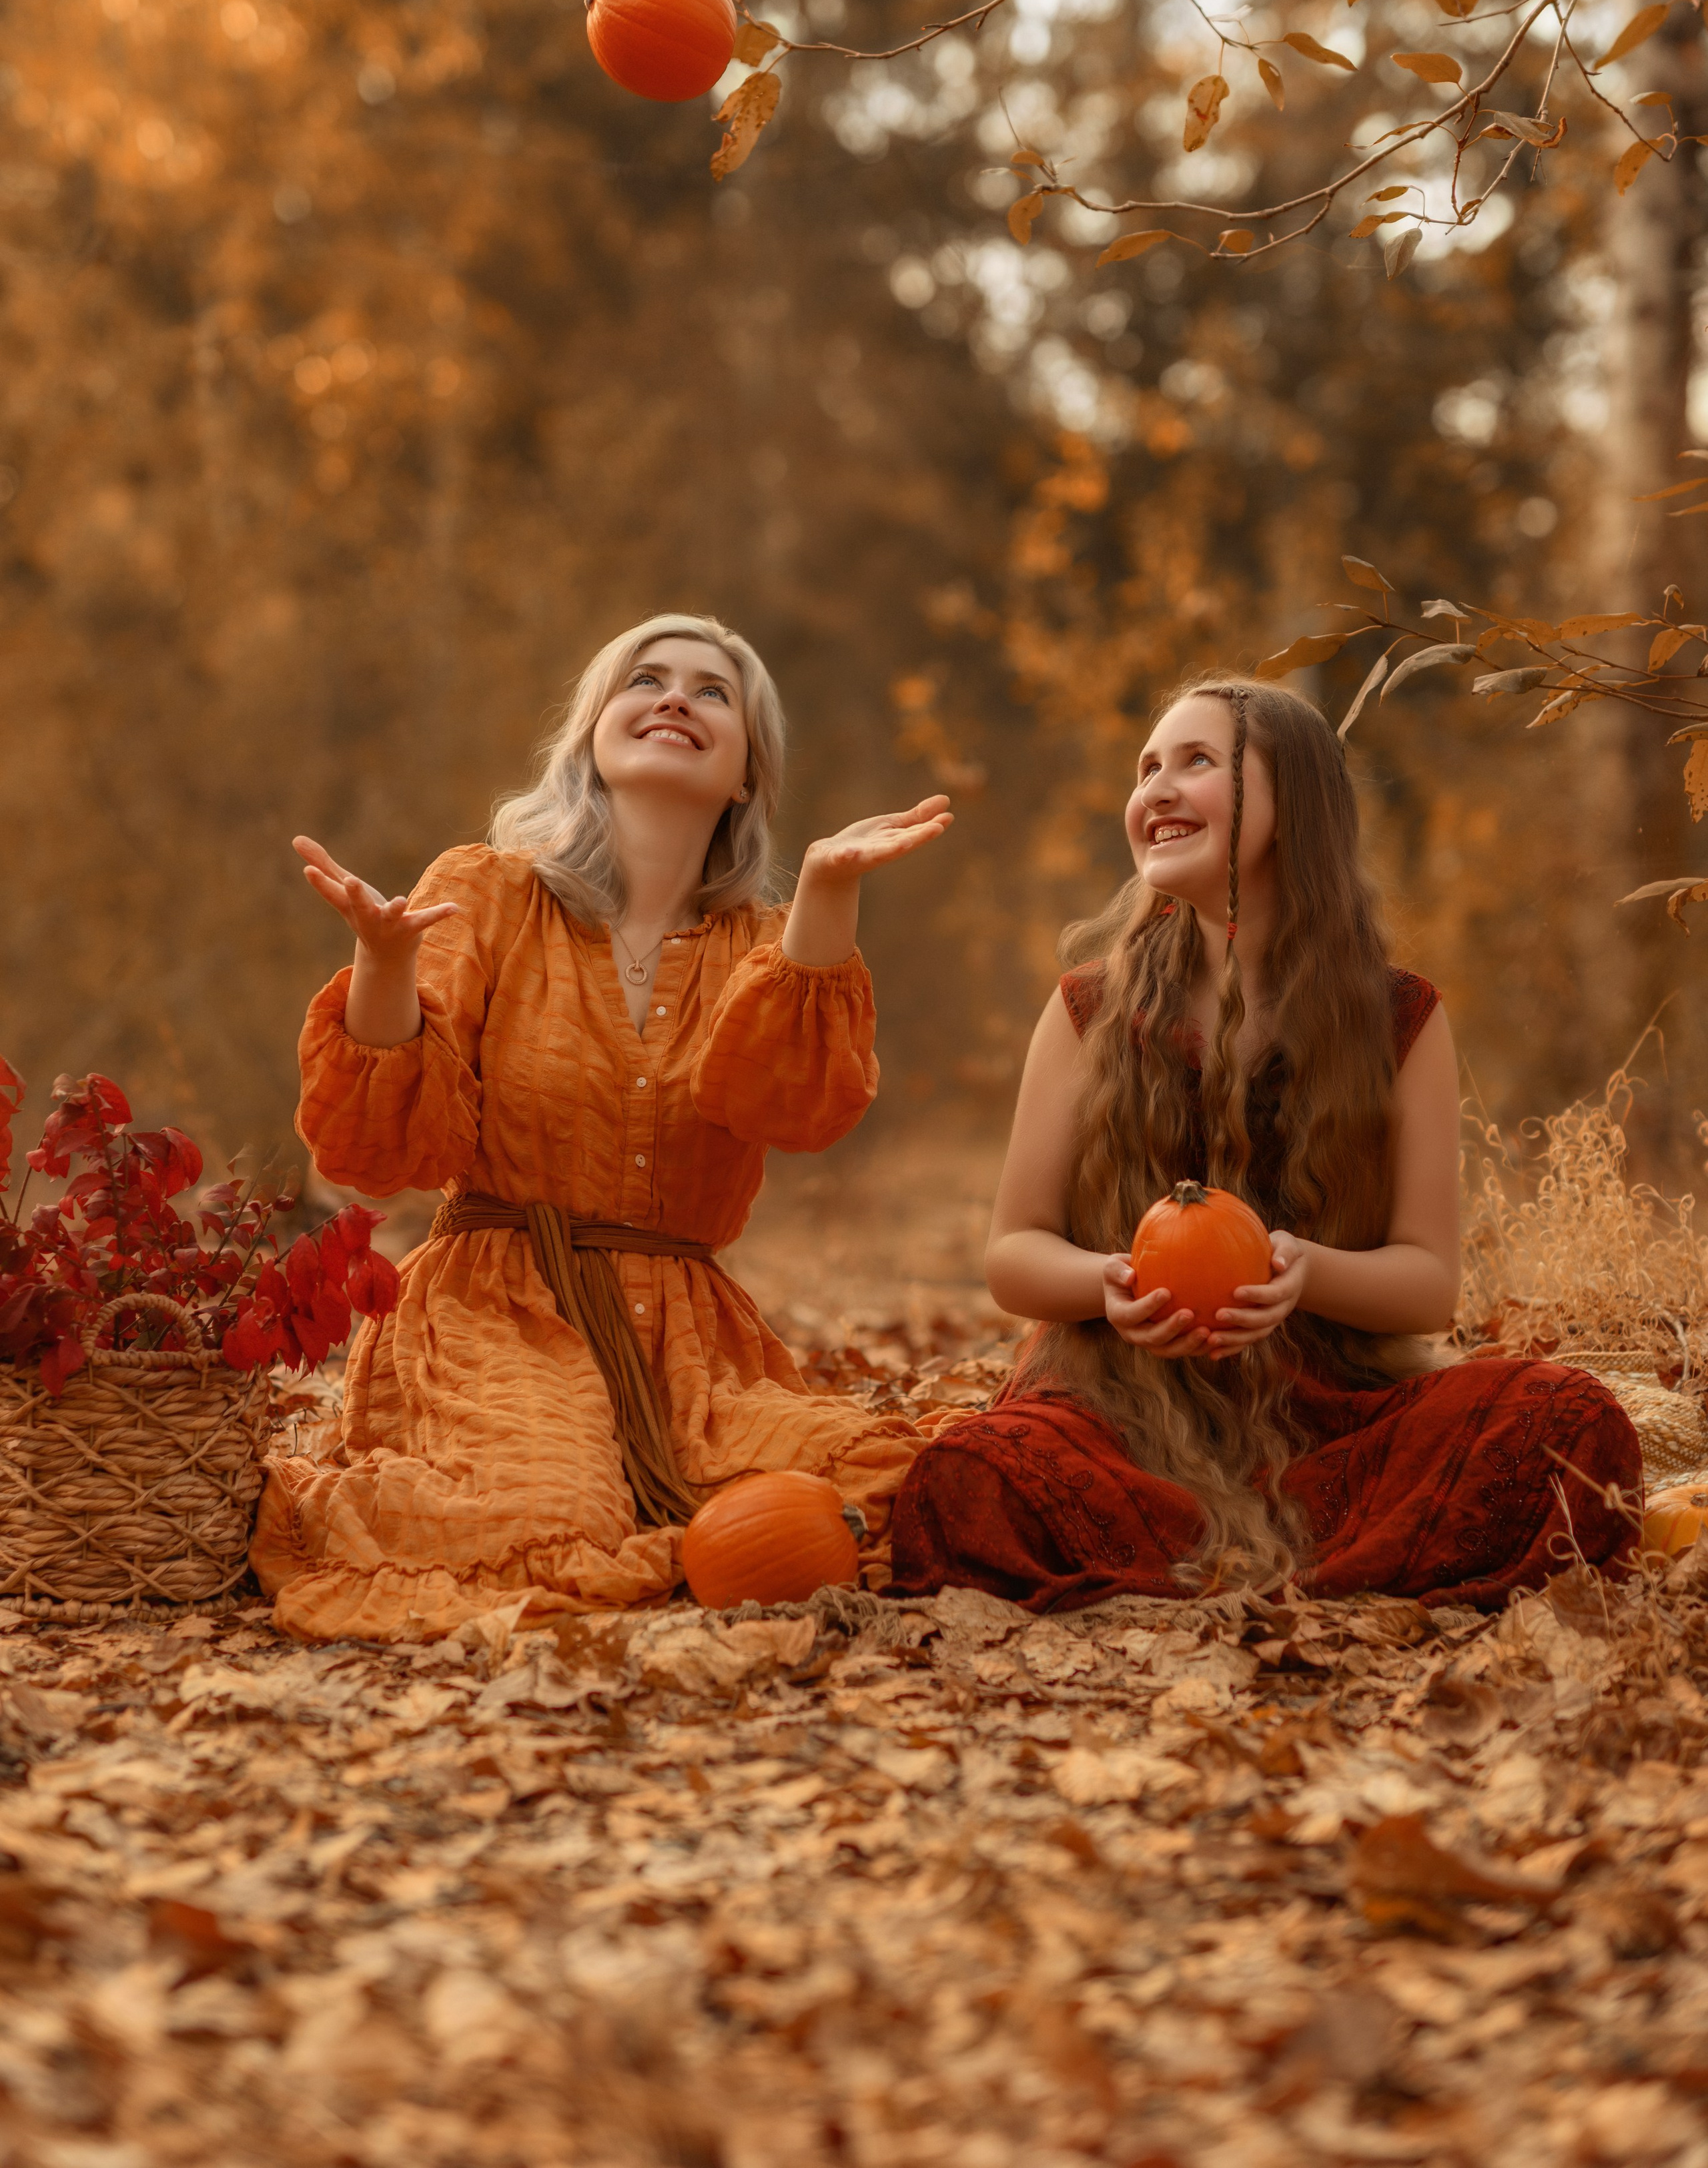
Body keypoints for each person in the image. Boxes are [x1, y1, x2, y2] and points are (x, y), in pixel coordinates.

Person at [253, 613, 951, 1643]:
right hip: (498, 1311)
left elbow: (790, 1113)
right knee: (548, 1517)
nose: (677, 697)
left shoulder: (767, 938)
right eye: (648, 679)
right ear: (590, 737)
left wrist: (826, 896)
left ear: (749, 773)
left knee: (906, 1483)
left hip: (686, 1343)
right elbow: (379, 1157)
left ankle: (679, 1528)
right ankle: (638, 1531)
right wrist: (386, 965)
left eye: (714, 692)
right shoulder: (483, 892)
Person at [890, 674, 1640, 1612]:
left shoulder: (1399, 1015)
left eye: (1196, 762)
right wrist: (1112, 1287)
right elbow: (1014, 1256)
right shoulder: (1089, 1008)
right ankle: (1257, 1565)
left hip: (1339, 1425)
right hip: (1121, 1416)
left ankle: (1254, 1567)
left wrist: (1302, 1273)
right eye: (1146, 768)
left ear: (1297, 807)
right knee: (970, 1475)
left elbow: (1427, 1284)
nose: (1156, 788)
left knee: (1572, 1424)